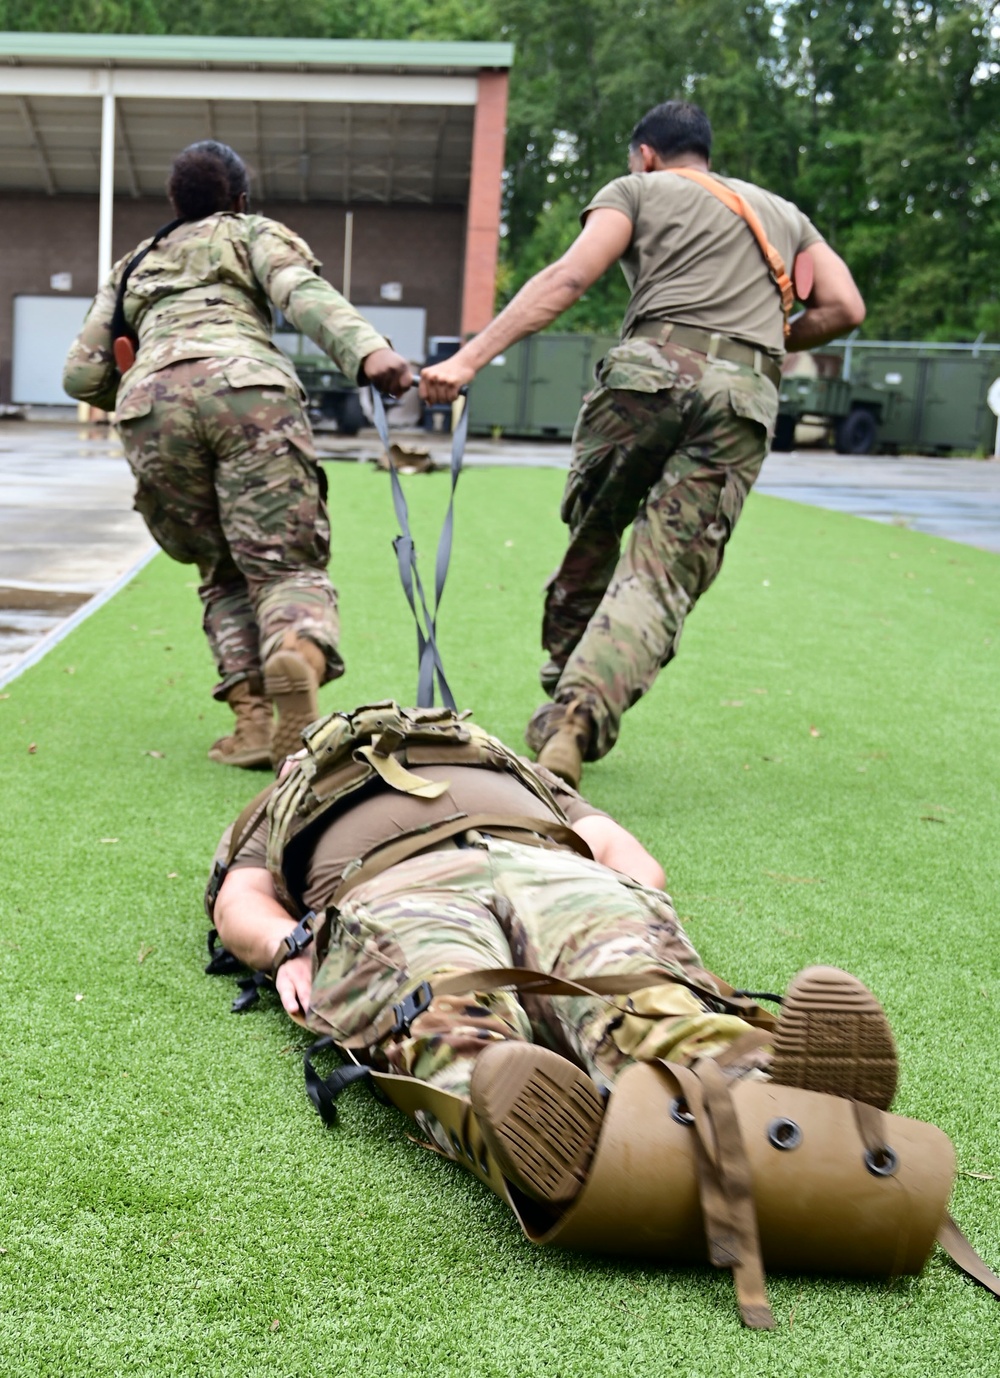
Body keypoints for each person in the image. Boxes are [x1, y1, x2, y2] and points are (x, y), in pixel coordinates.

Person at [209, 701, 898, 1216]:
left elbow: (619, 847)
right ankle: (526, 1131)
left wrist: (621, 900)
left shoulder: (507, 764)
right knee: (443, 1000)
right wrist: (290, 948)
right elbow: (238, 901)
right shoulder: (282, 800)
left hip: (548, 865)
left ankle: (763, 1077)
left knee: (630, 988)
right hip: (396, 885)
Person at [419, 100, 866, 788]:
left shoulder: (636, 190)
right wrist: (760, 345)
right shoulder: (783, 214)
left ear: (647, 154)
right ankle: (578, 712)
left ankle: (565, 671)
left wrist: (468, 360)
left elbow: (569, 277)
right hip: (746, 396)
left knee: (594, 531)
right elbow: (844, 308)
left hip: (648, 373)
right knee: (661, 573)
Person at [63, 140, 412, 770]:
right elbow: (299, 290)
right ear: (241, 198)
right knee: (283, 565)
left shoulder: (133, 264)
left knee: (219, 570)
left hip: (152, 408)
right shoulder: (251, 232)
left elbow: (80, 378)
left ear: (176, 203)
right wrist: (368, 352)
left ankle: (252, 723)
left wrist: (143, 380)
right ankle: (297, 652)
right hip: (248, 391)